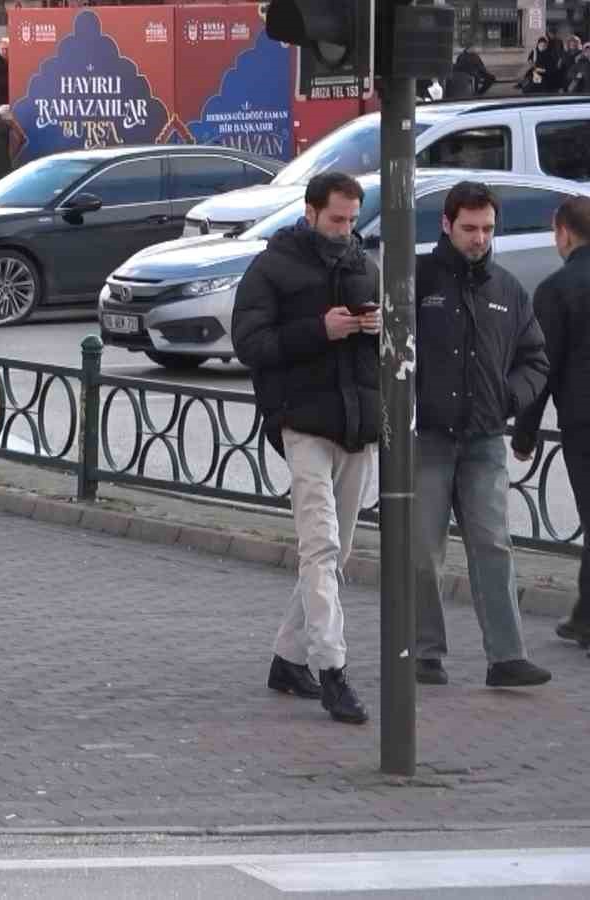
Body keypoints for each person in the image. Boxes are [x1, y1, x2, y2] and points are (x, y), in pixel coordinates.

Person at [229, 172, 381, 725]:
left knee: (336, 553)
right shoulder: (273, 266)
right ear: (311, 212)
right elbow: (250, 344)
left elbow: (388, 347)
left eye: (352, 220)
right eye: (336, 219)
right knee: (319, 546)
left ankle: (288, 659)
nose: (345, 230)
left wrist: (380, 328)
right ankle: (334, 670)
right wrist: (320, 330)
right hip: (302, 423)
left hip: (355, 425)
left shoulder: (365, 264)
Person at [413, 180, 552, 688]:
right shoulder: (417, 277)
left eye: (488, 229)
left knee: (494, 545)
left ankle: (507, 657)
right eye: (469, 228)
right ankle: (423, 651)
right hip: (425, 437)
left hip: (484, 439)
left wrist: (510, 398)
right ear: (446, 225)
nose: (479, 239)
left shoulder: (507, 289)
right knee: (422, 550)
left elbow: (535, 357)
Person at [513, 196, 590, 653]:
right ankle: (587, 617)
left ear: (563, 233)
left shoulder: (558, 288)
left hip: (588, 422)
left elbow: (541, 368)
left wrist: (525, 434)